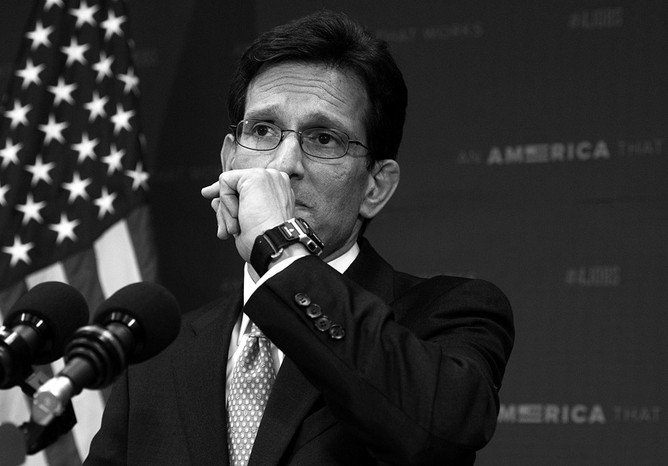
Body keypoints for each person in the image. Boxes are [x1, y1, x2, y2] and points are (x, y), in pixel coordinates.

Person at [85, 10, 514, 466]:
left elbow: (439, 432)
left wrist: (280, 249)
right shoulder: (157, 355)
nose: (283, 164)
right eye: (264, 130)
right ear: (230, 160)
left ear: (376, 186)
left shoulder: (448, 314)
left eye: (324, 138)